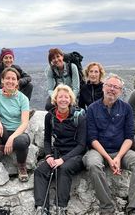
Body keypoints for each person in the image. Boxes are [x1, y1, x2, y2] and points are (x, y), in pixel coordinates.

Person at [83, 74, 135, 215]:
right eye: (110, 86)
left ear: (120, 91)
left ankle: (133, 208)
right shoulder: (93, 109)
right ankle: (107, 207)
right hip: (98, 150)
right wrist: (108, 158)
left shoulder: (126, 109)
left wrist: (118, 157)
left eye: (116, 87)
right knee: (93, 165)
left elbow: (129, 137)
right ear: (103, 87)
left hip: (120, 150)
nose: (112, 89)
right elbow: (92, 138)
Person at [34, 84, 86, 215]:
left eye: (66, 97)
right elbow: (47, 140)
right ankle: (41, 207)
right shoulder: (50, 117)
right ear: (55, 99)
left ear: (70, 99)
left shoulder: (79, 116)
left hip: (75, 154)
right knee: (40, 171)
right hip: (57, 153)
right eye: (60, 97)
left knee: (63, 169)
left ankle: (61, 207)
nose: (63, 99)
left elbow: (81, 145)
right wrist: (48, 156)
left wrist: (63, 160)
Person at [0, 67, 31, 182]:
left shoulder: (23, 99)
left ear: (17, 82)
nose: (10, 81)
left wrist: (12, 139)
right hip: (2, 131)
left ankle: (21, 166)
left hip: (18, 133)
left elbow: (24, 123)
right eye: (7, 78)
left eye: (13, 79)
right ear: (2, 80)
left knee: (21, 142)